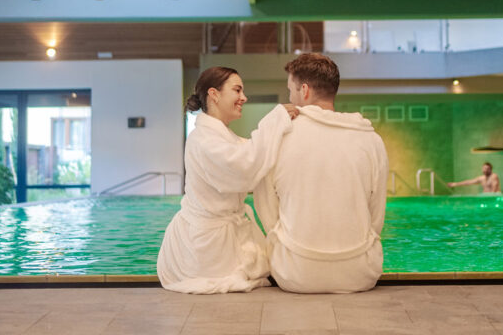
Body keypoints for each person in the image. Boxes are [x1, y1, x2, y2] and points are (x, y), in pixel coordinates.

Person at [157, 66, 298, 294]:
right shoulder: (203, 139)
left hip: (226, 233)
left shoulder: (223, 137)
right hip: (205, 245)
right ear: (214, 94)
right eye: (237, 90)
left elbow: (253, 154)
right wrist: (274, 121)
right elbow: (244, 168)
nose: (244, 97)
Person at [255, 54, 389, 294]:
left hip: (294, 272)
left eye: (290, 91)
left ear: (304, 90)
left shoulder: (280, 137)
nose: (290, 99)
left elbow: (266, 210)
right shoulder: (371, 140)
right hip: (360, 272)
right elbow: (376, 215)